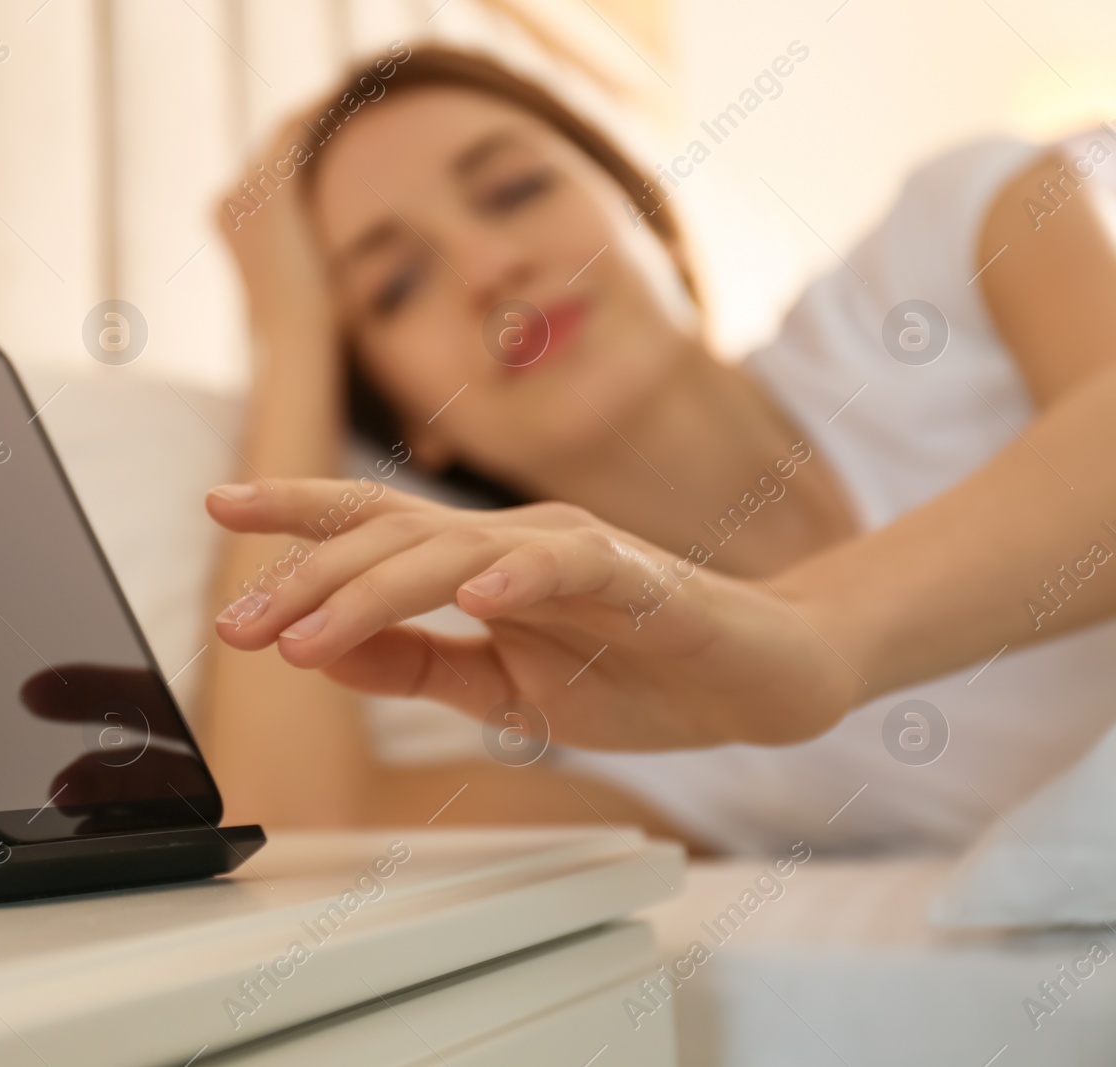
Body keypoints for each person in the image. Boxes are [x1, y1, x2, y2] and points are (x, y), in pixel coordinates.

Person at [194, 45, 1116, 854]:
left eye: (515, 190)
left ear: (650, 221)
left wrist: (811, 637)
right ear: (414, 428)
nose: (489, 269)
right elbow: (294, 829)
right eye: (396, 285)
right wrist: (292, 336)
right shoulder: (622, 708)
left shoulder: (955, 233)